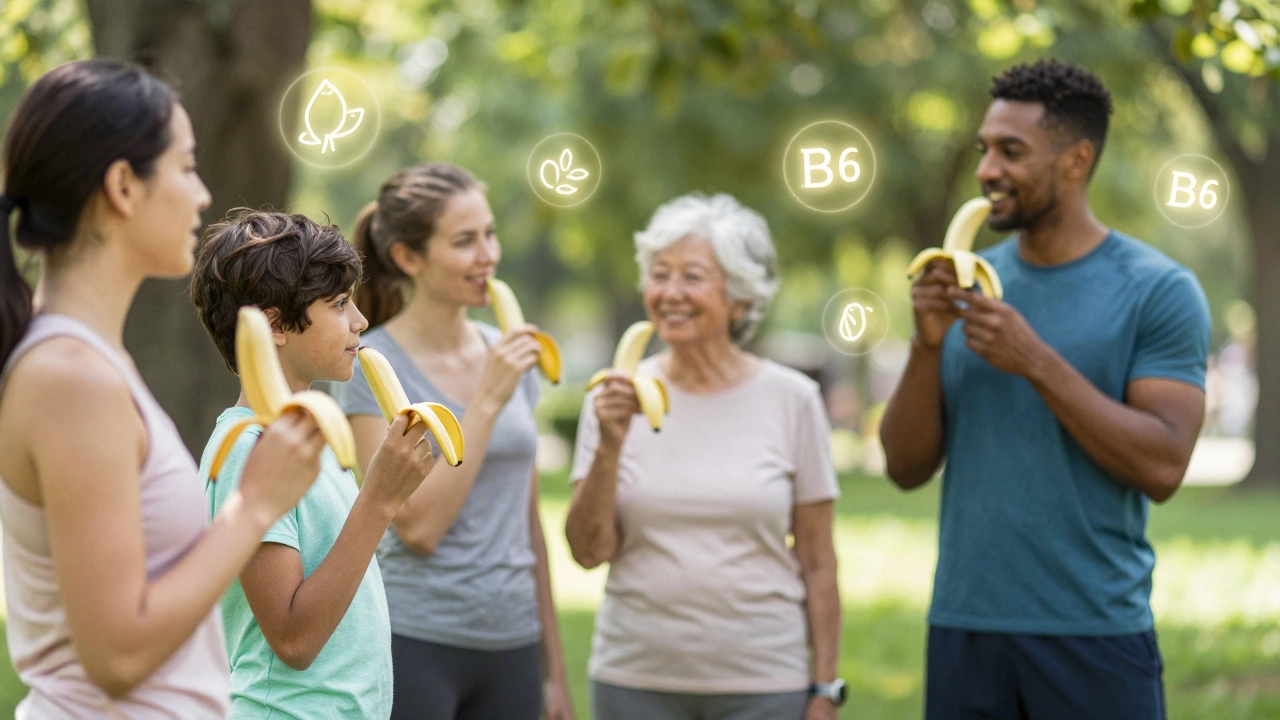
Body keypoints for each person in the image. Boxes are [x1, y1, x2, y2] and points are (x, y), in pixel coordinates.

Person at [879, 59, 1210, 720]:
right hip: (964, 628)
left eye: (1011, 151)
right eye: (983, 150)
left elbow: (1163, 464)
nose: (986, 170)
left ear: (1076, 160)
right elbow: (904, 467)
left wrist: (1035, 360)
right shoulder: (966, 284)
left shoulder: (1159, 290)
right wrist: (924, 344)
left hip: (1094, 635)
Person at [0, 59, 324, 717]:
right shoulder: (70, 378)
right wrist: (256, 506)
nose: (203, 194)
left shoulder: (87, 362)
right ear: (123, 185)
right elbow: (117, 656)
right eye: (185, 166)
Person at [565, 193, 844, 720]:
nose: (670, 293)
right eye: (659, 274)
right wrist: (609, 444)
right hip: (634, 678)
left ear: (740, 298)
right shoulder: (613, 397)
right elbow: (587, 551)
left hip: (764, 681)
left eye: (692, 276)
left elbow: (818, 559)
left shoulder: (793, 400)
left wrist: (825, 689)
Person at [336, 162, 573, 720]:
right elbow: (417, 527)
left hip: (514, 641)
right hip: (417, 638)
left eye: (489, 234)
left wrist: (553, 670)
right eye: (465, 241)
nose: (487, 255)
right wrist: (486, 401)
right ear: (408, 258)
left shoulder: (511, 354)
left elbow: (527, 516)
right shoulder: (370, 366)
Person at [189, 210, 436, 717]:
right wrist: (381, 498)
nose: (360, 322)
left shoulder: (310, 441)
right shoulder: (250, 448)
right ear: (275, 325)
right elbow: (294, 640)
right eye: (340, 304)